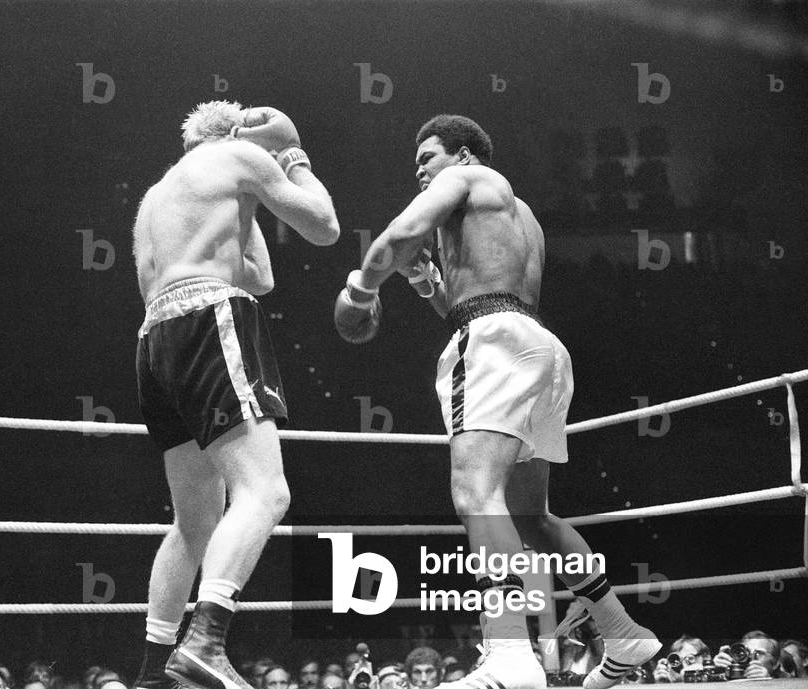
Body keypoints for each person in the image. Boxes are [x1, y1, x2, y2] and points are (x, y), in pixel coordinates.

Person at [334, 114, 660, 689]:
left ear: (461, 156)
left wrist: (360, 290)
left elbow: (396, 235)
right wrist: (426, 283)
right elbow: (473, 301)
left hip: (495, 344)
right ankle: (621, 629)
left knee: (475, 494)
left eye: (427, 158)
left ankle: (511, 657)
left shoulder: (466, 180)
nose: (420, 171)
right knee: (532, 518)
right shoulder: (518, 212)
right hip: (538, 347)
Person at [132, 100, 340, 689]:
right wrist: (292, 157)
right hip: (208, 318)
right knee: (266, 492)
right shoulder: (240, 155)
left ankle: (155, 670)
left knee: (195, 521)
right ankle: (205, 641)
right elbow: (324, 225)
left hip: (154, 342)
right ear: (239, 139)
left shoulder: (158, 196)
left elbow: (261, 277)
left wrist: (247, 211)